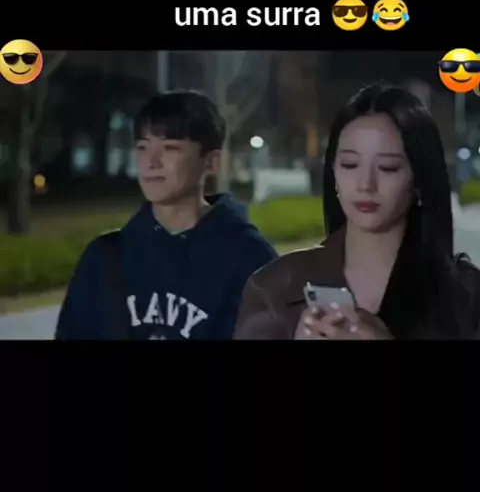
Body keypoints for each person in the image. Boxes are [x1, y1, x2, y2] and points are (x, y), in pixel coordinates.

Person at [234, 83, 480, 340]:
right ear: (333, 173)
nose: (365, 184)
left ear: (419, 179)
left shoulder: (466, 295)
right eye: (350, 164)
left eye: (387, 167)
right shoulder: (273, 288)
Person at [55, 90, 277, 340]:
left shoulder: (251, 260)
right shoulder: (104, 259)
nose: (151, 162)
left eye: (170, 148)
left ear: (211, 162)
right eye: (142, 147)